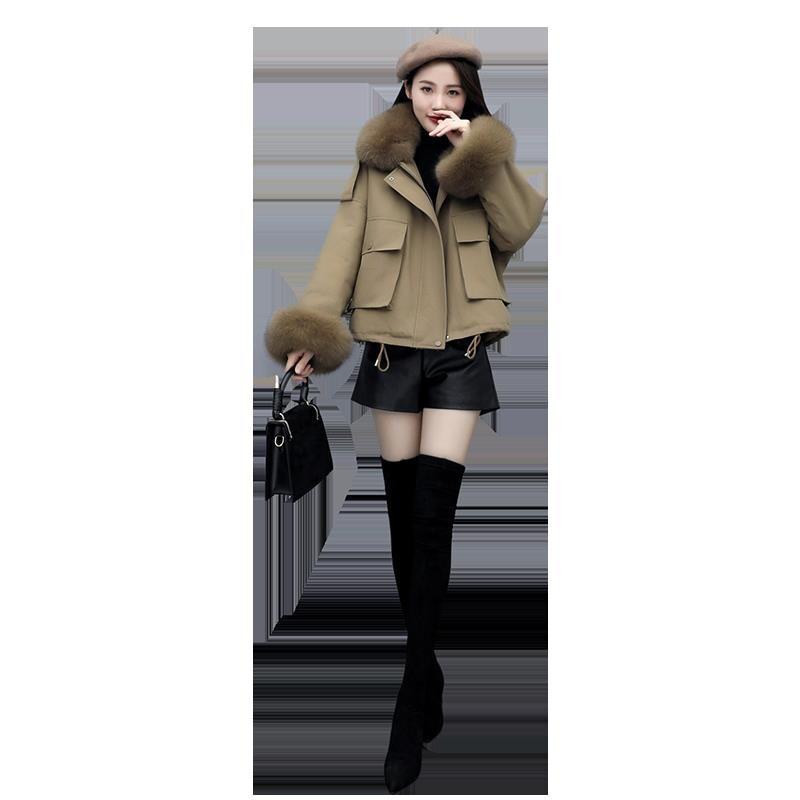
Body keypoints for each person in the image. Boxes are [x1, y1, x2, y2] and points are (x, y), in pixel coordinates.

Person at [264, 32, 547, 793]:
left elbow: (520, 229)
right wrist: (311, 332)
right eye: (427, 89)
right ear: (407, 92)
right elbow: (342, 249)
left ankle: (405, 700)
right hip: (391, 353)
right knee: (399, 521)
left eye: (453, 91)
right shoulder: (375, 163)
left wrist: (477, 155)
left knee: (432, 519)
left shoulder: (480, 161)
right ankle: (427, 671)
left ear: (469, 98)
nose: (438, 103)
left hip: (460, 352)